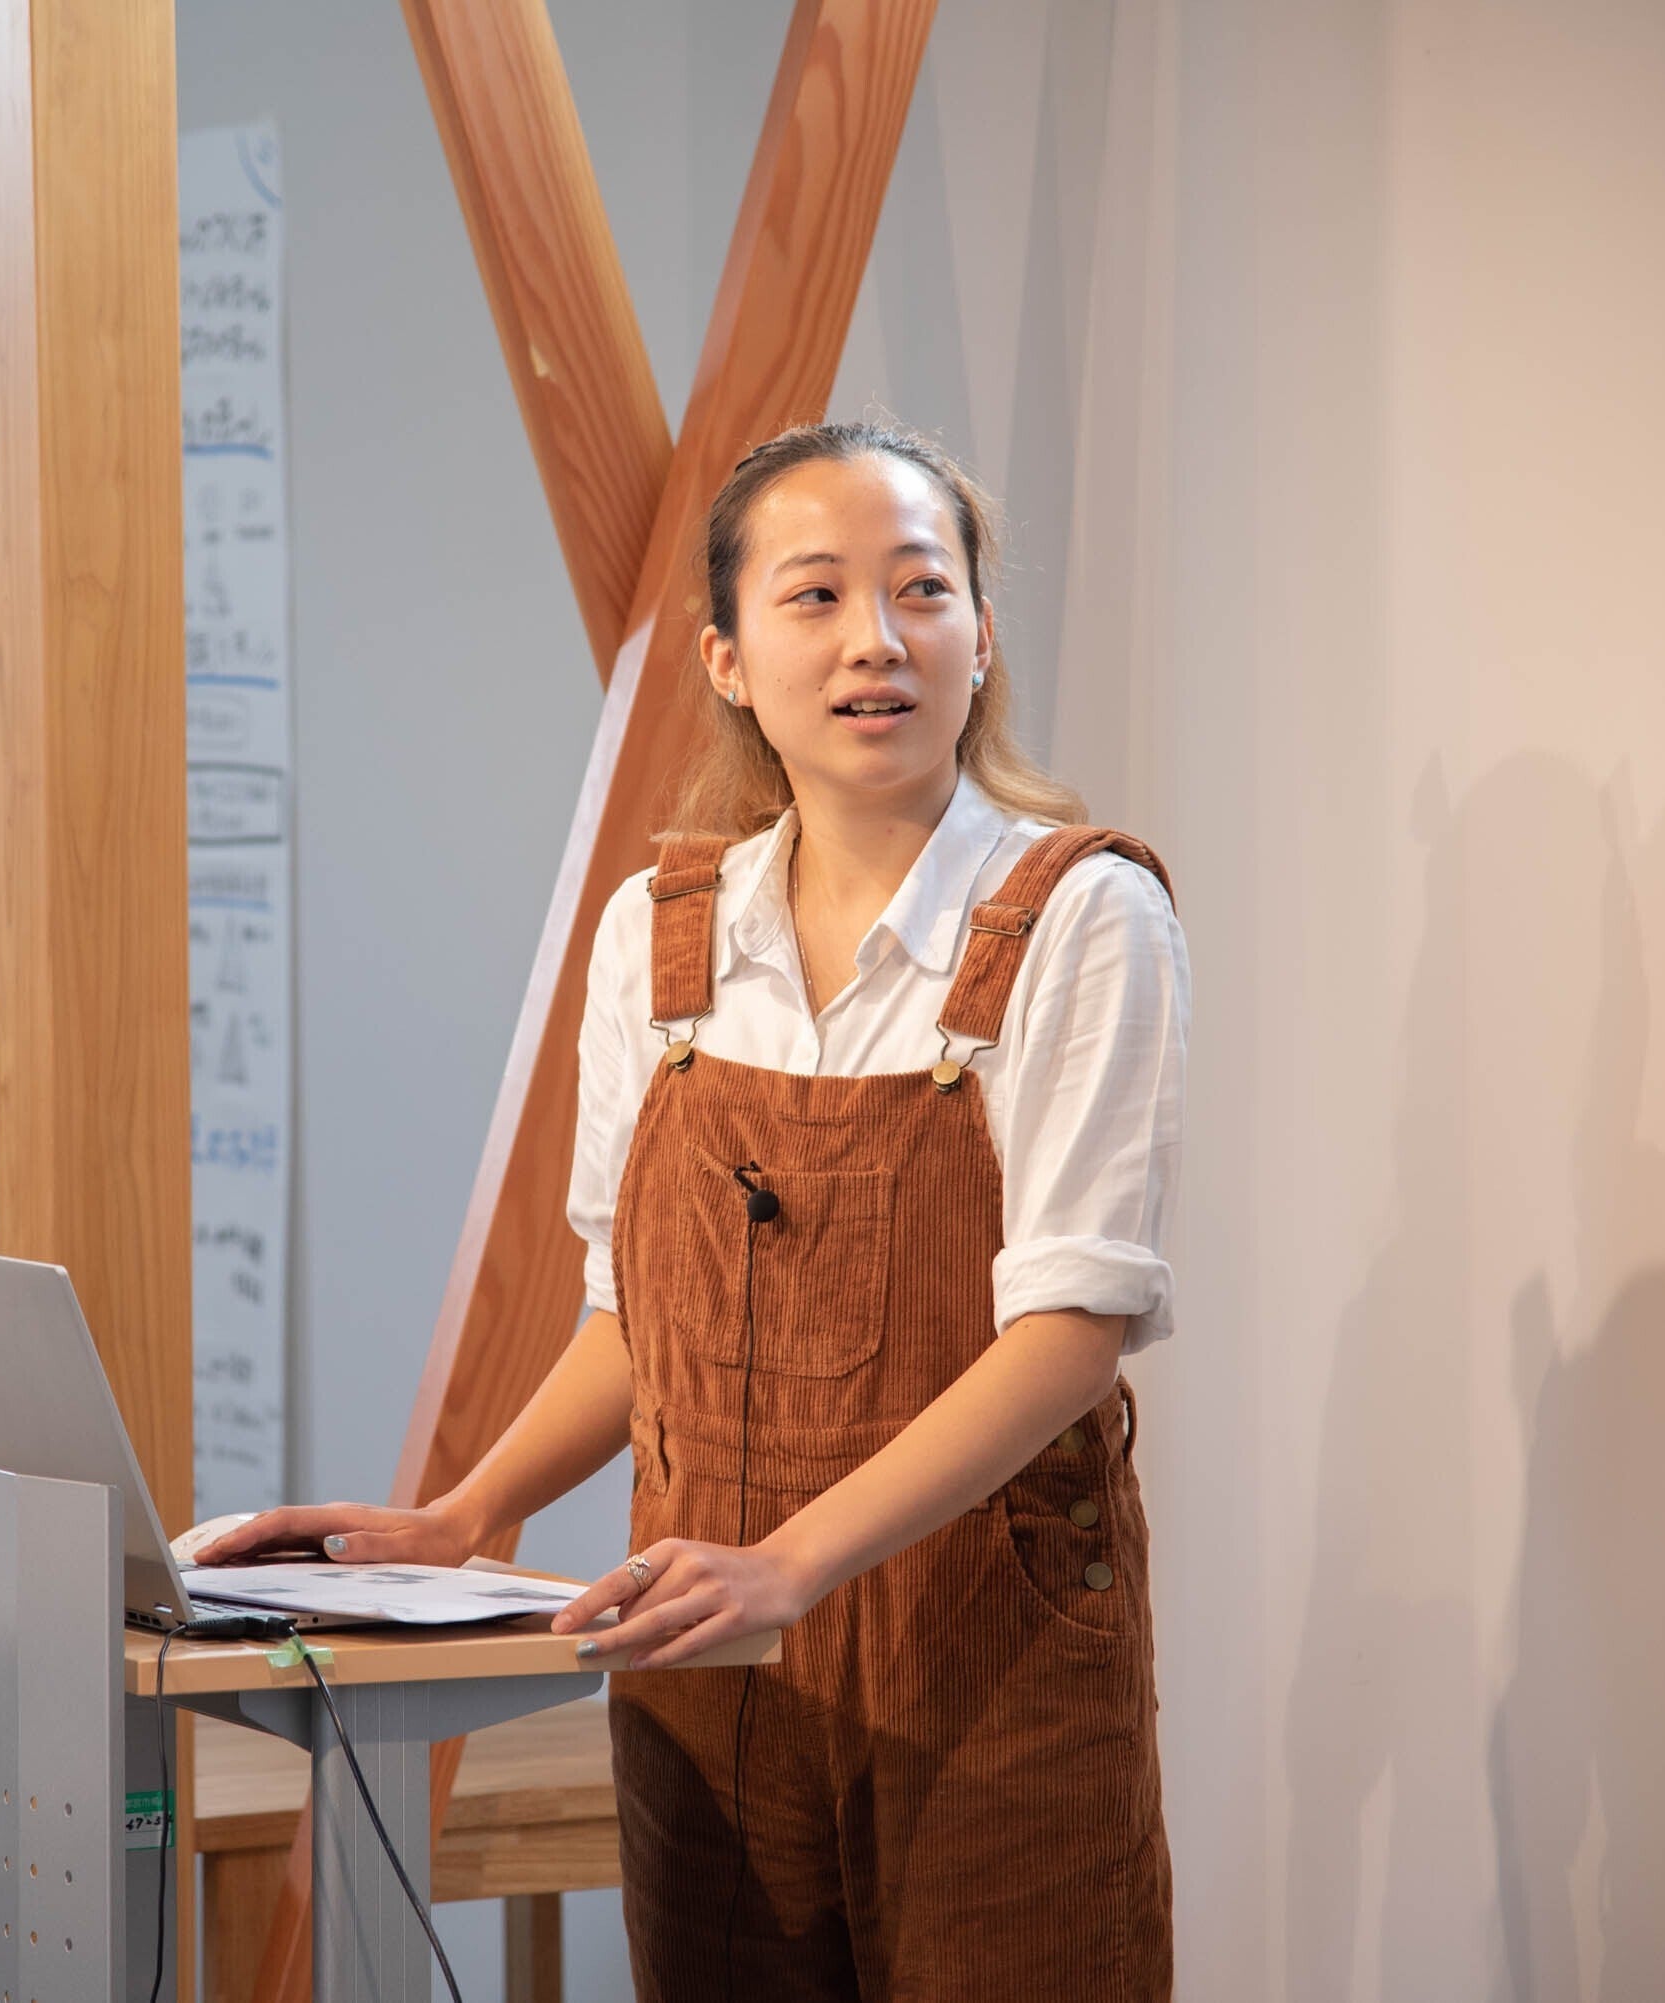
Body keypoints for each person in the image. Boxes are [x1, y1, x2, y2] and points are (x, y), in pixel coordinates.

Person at [198, 420, 1189, 1998]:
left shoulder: (1083, 917)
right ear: (727, 659)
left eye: (922, 590)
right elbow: (632, 1321)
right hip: (706, 1658)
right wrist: (468, 1516)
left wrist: (789, 1564)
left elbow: (1069, 1336)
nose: (877, 641)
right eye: (816, 595)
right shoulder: (659, 937)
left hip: (987, 1666)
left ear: (982, 637)